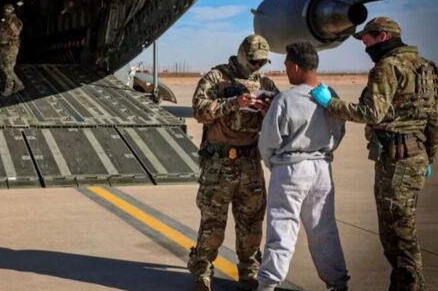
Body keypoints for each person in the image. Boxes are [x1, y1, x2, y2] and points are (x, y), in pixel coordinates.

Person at [312, 17, 438, 290]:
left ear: (381, 36)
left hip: (396, 162)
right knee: (403, 227)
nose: (364, 45)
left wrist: (330, 104)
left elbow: (371, 113)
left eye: (366, 39)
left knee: (397, 235)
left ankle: (410, 285)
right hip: (416, 157)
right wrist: (429, 154)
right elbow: (433, 118)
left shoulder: (387, 67)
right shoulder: (427, 67)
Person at [188, 34, 279, 290]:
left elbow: (281, 119)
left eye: (262, 62)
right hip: (219, 164)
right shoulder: (216, 78)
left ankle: (249, 272)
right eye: (253, 61)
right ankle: (202, 271)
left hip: (250, 163)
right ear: (241, 54)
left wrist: (267, 110)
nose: (257, 66)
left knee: (251, 224)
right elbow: (199, 109)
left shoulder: (266, 83)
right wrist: (233, 103)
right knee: (212, 223)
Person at [256, 42, 349, 291]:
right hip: (321, 169)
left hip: (291, 169)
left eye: (287, 66)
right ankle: (338, 283)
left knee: (282, 230)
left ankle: (268, 284)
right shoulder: (332, 97)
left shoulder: (285, 99)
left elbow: (268, 141)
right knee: (324, 230)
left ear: (296, 67)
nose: (286, 71)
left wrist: (274, 164)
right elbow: (339, 132)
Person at [0, 4, 24, 96]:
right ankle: (19, 84)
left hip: (11, 47)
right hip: (3, 47)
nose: (6, 11)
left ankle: (8, 88)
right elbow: (0, 34)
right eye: (5, 9)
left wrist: (10, 23)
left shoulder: (15, 21)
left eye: (9, 9)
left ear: (12, 10)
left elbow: (16, 32)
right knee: (3, 67)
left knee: (9, 68)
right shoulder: (4, 22)